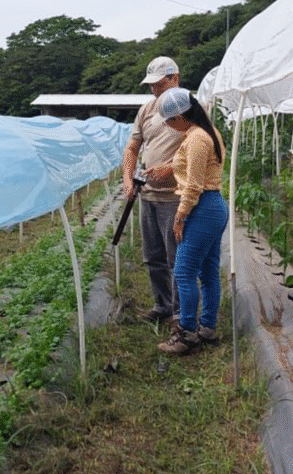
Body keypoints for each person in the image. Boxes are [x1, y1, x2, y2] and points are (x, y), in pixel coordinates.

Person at [151, 87, 228, 355]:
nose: (171, 127)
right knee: (208, 271)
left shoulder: (196, 139)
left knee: (184, 272)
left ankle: (186, 334)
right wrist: (169, 167)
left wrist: (180, 217)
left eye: (171, 121)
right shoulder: (207, 133)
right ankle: (207, 326)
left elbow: (194, 185)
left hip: (202, 207)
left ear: (182, 115)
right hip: (213, 206)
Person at [122, 56, 185, 324]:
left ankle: (182, 312)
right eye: (152, 86)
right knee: (153, 257)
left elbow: (199, 146)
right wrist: (127, 178)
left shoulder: (189, 108)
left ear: (174, 79)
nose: (154, 90)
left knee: (177, 258)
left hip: (175, 197)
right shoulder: (146, 111)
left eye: (159, 84)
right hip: (148, 195)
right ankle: (162, 305)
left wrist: (170, 168)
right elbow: (132, 148)